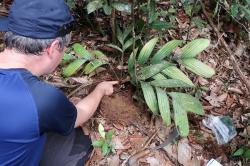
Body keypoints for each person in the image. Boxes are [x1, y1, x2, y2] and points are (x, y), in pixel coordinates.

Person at [0, 0, 118, 165]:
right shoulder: (42, 99)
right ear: (53, 47)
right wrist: (99, 90)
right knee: (79, 142)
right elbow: (79, 115)